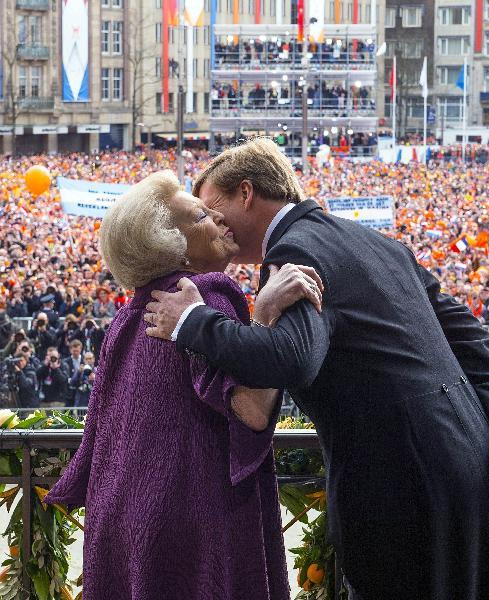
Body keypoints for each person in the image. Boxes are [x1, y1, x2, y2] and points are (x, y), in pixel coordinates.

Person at [143, 138, 489, 600]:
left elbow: (294, 359)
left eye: (210, 207)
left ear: (245, 193)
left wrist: (192, 321)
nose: (213, 223)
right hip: (473, 460)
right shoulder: (375, 241)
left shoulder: (293, 253)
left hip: (402, 485)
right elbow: (467, 332)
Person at [47, 170, 323, 599]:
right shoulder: (205, 295)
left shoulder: (128, 315)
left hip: (121, 519)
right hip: (189, 524)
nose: (220, 222)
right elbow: (250, 409)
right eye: (201, 218)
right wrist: (265, 314)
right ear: (173, 248)